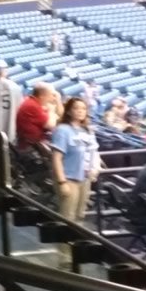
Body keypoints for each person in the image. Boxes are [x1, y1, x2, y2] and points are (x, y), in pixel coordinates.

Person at [50, 97, 99, 229]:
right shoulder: (62, 130)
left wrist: (95, 168)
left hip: (84, 178)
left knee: (80, 215)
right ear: (69, 111)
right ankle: (62, 248)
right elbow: (56, 158)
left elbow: (93, 152)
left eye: (83, 108)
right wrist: (62, 182)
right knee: (67, 216)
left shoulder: (87, 130)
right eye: (76, 108)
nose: (80, 111)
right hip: (69, 178)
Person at [16, 83, 56, 153]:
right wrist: (52, 111)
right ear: (42, 96)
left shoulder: (31, 101)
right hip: (31, 148)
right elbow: (50, 125)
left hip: (31, 144)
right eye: (51, 95)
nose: (52, 98)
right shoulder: (33, 106)